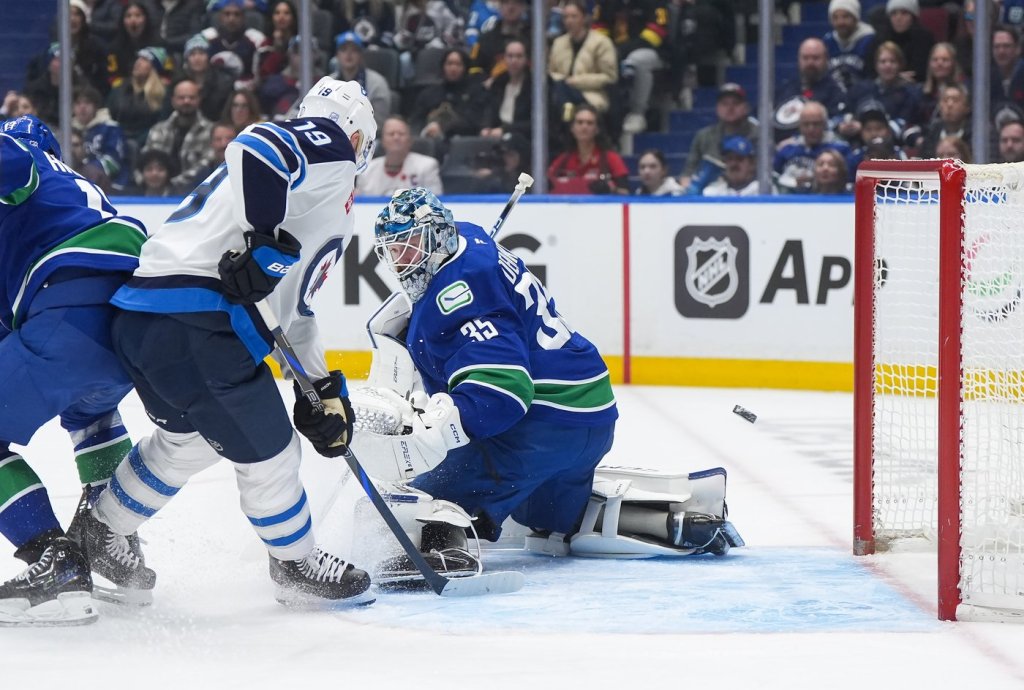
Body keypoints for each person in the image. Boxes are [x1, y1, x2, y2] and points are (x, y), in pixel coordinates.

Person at [82, 78, 379, 607]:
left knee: (189, 442)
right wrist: (264, 239)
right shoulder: (331, 146)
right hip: (198, 323)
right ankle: (295, 563)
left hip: (143, 320)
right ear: (360, 139)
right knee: (273, 452)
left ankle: (102, 528)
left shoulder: (321, 198)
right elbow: (257, 143)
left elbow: (294, 310)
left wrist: (321, 387)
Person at [345, 188, 741, 584]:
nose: (402, 261)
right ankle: (671, 521)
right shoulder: (469, 237)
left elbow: (503, 393)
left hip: (538, 428)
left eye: (410, 247)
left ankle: (443, 546)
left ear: (438, 237)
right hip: (588, 418)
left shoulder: (458, 295)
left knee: (410, 504)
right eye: (393, 251)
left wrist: (434, 426)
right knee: (544, 518)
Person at [0, 115, 153, 627]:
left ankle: (56, 562)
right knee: (92, 414)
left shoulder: (24, 161)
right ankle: (114, 544)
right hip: (133, 328)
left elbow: (12, 159)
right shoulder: (69, 198)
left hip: (71, 316)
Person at [548, 103, 629, 195]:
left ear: (597, 129)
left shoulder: (611, 158)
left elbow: (626, 193)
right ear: (572, 128)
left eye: (589, 123)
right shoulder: (563, 160)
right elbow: (542, 184)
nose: (584, 127)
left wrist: (610, 190)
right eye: (580, 122)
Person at [357, 115, 443, 196]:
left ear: (410, 140)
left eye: (401, 134)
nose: (396, 137)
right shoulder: (366, 170)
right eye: (391, 134)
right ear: (382, 141)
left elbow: (435, 201)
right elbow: (361, 203)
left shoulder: (427, 167)